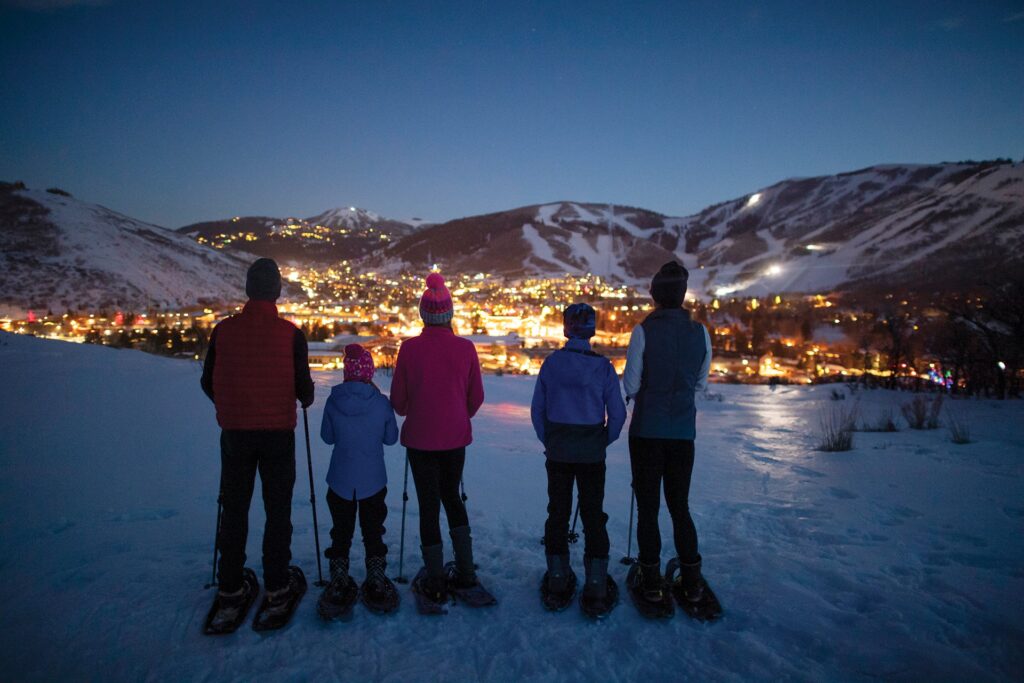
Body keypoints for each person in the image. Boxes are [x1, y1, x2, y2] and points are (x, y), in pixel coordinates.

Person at [200, 257, 314, 627]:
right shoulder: (291, 334)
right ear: (276, 291)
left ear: (249, 290)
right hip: (278, 436)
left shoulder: (223, 331)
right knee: (277, 511)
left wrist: (234, 404)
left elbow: (208, 382)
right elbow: (305, 391)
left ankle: (231, 586)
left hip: (234, 434)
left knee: (234, 508)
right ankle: (277, 585)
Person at [390, 273, 486, 607]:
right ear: (449, 314)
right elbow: (476, 397)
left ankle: (433, 577)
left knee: (428, 505)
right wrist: (457, 417)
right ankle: (466, 572)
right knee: (452, 498)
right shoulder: (465, 348)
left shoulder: (409, 349)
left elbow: (399, 404)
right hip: (455, 438)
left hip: (419, 441)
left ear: (423, 314)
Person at [622, 261, 712, 607]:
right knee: (679, 506)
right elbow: (701, 383)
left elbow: (630, 384)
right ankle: (690, 579)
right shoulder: (700, 333)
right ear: (682, 294)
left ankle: (651, 578)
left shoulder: (643, 330)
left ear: (656, 295)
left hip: (646, 432)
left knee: (648, 507)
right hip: (682, 433)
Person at [531, 303, 626, 614]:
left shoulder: (551, 364)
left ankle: (558, 577)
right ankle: (596, 583)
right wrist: (601, 441)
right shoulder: (603, 367)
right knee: (593, 514)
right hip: (591, 455)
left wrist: (552, 440)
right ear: (592, 330)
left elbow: (537, 412)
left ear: (566, 328)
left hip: (558, 451)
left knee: (557, 512)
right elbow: (618, 414)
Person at [318, 344, 399, 611]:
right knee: (373, 530)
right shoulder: (381, 403)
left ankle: (339, 576)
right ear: (370, 372)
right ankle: (375, 576)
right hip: (374, 481)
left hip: (339, 479)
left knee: (341, 531)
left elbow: (327, 437)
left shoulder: (333, 400)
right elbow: (391, 439)